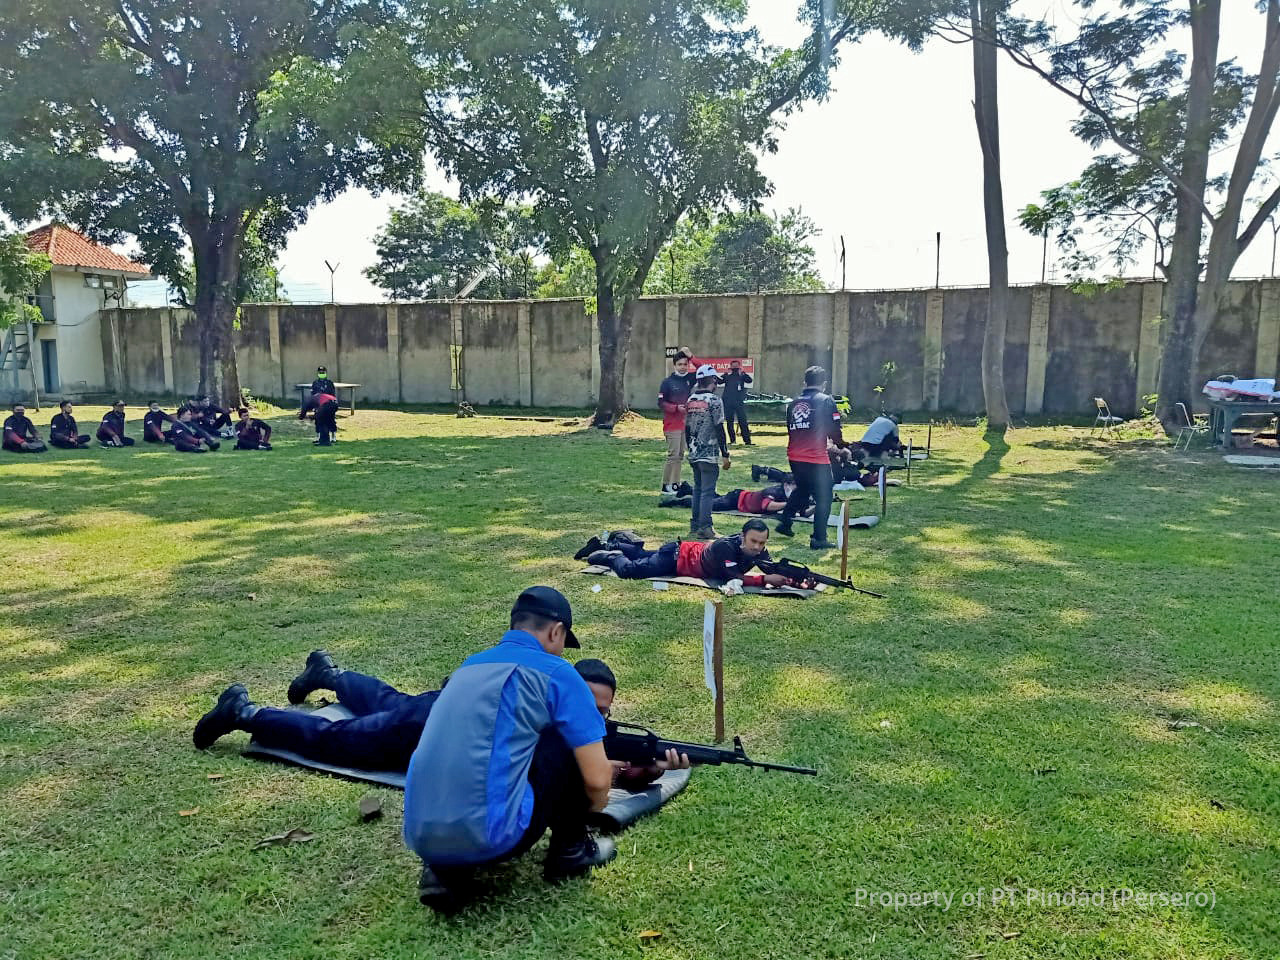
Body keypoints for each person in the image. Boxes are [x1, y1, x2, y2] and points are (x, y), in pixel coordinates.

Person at [404, 587, 617, 909]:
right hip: (497, 837)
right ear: (556, 632)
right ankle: (571, 851)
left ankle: (443, 868)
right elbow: (598, 779)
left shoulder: (468, 668)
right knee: (561, 735)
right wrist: (593, 810)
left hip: (421, 836)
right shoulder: (557, 673)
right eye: (561, 643)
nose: (560, 652)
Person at [193, 651, 689, 785]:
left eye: (604, 711)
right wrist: (633, 772)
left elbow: (601, 759)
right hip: (428, 732)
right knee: (337, 740)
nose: (597, 719)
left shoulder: (557, 705)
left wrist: (647, 766)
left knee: (389, 698)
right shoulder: (552, 718)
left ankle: (330, 673)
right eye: (590, 707)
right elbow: (590, 781)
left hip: (437, 709)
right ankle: (245, 712)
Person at [576, 519, 796, 589]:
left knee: (641, 554)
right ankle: (611, 554)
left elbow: (771, 566)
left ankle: (606, 542)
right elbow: (734, 578)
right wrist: (765, 579)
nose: (758, 547)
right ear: (742, 536)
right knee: (629, 570)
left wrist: (793, 578)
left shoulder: (759, 549)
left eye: (762, 542)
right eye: (753, 541)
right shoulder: (725, 547)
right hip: (675, 559)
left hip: (679, 552)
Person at [776, 366, 841, 550]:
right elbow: (835, 430)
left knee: (803, 489)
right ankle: (819, 538)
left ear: (805, 382)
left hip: (794, 455)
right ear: (824, 384)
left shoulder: (793, 402)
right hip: (816, 457)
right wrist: (841, 446)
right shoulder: (826, 400)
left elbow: (790, 427)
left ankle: (785, 521)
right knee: (824, 497)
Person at [684, 364, 730, 539]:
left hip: (694, 451)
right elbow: (719, 428)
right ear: (712, 381)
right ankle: (705, 527)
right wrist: (725, 454)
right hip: (708, 452)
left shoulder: (690, 400)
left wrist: (690, 448)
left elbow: (687, 428)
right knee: (707, 491)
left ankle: (695, 525)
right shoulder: (714, 401)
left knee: (698, 489)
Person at [657, 352, 695, 494]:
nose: (683, 367)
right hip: (671, 424)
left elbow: (703, 369)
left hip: (685, 423)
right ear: (674, 365)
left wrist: (691, 356)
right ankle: (666, 484)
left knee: (680, 455)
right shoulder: (667, 382)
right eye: (680, 364)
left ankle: (675, 484)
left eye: (685, 364)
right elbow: (660, 403)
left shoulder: (690, 379)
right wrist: (675, 408)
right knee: (673, 455)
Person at [718, 359, 754, 445]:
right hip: (728, 401)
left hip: (739, 401)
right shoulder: (727, 375)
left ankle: (747, 441)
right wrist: (725, 374)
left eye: (736, 366)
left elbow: (749, 380)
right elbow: (719, 382)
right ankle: (732, 440)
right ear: (730, 367)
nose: (734, 368)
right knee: (729, 422)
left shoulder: (742, 375)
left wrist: (743, 373)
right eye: (733, 366)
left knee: (743, 421)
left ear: (739, 366)